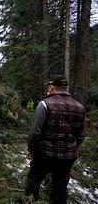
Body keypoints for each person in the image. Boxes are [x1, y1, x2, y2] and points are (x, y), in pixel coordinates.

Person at [25, 74, 85, 203]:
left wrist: (31, 148)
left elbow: (35, 132)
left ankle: (30, 201)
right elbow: (80, 136)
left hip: (45, 153)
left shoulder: (44, 104)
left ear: (52, 87)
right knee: (60, 188)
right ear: (65, 88)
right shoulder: (80, 107)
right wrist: (70, 148)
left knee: (34, 178)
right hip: (68, 157)